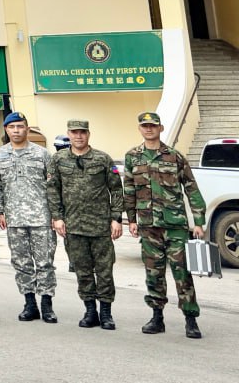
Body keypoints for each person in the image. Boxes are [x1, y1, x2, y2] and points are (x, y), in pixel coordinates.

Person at [123, 111, 207, 338]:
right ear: (140, 129)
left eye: (153, 125)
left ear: (160, 128)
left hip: (175, 225)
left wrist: (199, 222)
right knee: (153, 273)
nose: (149, 129)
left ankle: (191, 319)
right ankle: (157, 317)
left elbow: (191, 188)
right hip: (148, 225)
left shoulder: (175, 156)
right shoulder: (132, 157)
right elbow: (128, 190)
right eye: (145, 126)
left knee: (182, 272)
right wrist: (131, 220)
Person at [47, 119, 122, 331]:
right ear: (68, 134)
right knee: (83, 271)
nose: (78, 136)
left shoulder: (102, 159)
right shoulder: (58, 159)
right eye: (74, 132)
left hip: (100, 226)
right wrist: (57, 217)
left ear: (88, 134)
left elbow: (116, 189)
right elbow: (52, 189)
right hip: (73, 226)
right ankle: (90, 311)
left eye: (82, 132)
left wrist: (116, 218)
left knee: (104, 271)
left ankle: (106, 312)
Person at [0, 111, 57, 323]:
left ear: (27, 129)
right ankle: (30, 304)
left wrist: (56, 214)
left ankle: (46, 304)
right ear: (6, 130)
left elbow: (53, 186)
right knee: (21, 263)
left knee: (45, 263)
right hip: (14, 219)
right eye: (12, 127)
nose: (16, 131)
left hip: (42, 218)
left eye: (20, 126)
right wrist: (0, 212)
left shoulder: (42, 154)